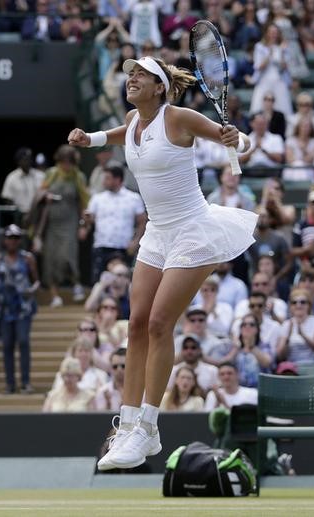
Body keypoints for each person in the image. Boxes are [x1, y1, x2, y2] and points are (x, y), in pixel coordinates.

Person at [68, 55, 256, 470]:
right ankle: (129, 424)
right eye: (129, 74)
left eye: (140, 75)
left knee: (158, 324)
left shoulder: (180, 118)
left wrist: (237, 141)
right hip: (157, 233)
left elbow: (242, 143)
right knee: (134, 324)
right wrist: (92, 140)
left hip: (193, 228)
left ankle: (149, 427)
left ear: (160, 88)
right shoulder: (135, 123)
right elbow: (120, 135)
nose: (131, 78)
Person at [0, 225, 39, 394]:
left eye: (16, 238)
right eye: (10, 238)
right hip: (5, 308)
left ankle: (25, 382)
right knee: (7, 345)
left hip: (22, 307)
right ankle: (10, 384)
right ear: (4, 240)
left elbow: (36, 280)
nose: (12, 242)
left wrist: (31, 291)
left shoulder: (27, 258)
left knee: (23, 341)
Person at [34, 145, 89, 307]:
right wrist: (46, 196)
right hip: (51, 223)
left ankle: (76, 283)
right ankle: (54, 295)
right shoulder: (51, 174)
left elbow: (83, 201)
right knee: (51, 259)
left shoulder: (78, 177)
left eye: (69, 162)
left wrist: (83, 225)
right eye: (63, 162)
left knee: (67, 255)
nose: (66, 165)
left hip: (70, 222)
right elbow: (39, 194)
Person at [84, 164, 146, 283]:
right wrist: (86, 220)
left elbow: (142, 222)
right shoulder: (97, 198)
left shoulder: (133, 198)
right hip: (101, 245)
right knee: (99, 282)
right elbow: (90, 220)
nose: (104, 181)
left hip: (123, 247)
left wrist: (136, 241)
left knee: (122, 282)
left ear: (118, 179)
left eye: (107, 178)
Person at [276, 288, 314, 368]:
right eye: (294, 302)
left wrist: (303, 335)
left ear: (309, 305)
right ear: (290, 306)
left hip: (313, 366)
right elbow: (280, 356)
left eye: (303, 302)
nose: (298, 305)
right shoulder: (286, 325)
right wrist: (288, 338)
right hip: (292, 368)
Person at [1, 147, 46, 219]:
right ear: (18, 161)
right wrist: (17, 214)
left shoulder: (40, 176)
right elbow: (7, 199)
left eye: (29, 159)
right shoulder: (12, 177)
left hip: (38, 215)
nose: (28, 161)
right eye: (25, 159)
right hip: (19, 216)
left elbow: (46, 194)